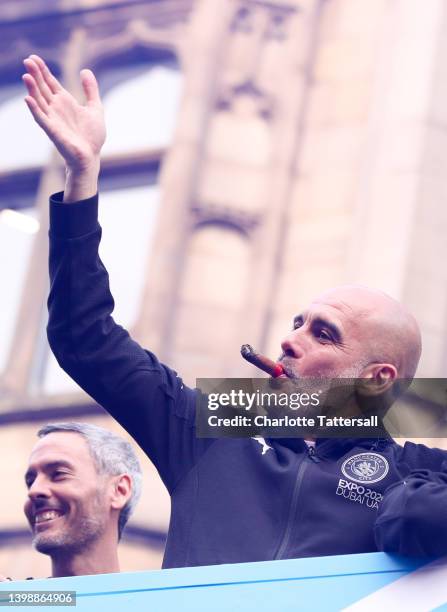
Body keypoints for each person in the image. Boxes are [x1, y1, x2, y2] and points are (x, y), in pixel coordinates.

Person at [22, 54, 447, 568]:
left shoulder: (416, 473)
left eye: (324, 334)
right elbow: (85, 339)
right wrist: (82, 173)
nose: (291, 341)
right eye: (297, 324)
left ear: (377, 379)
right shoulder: (213, 429)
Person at [22, 422, 142, 578]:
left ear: (119, 491)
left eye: (58, 474)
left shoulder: (165, 599)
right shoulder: (17, 600)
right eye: (30, 481)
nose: (34, 490)